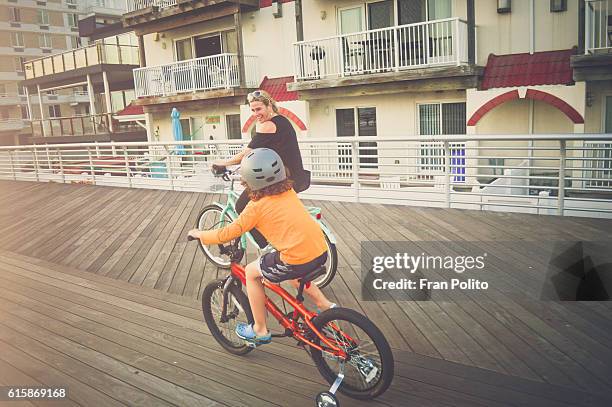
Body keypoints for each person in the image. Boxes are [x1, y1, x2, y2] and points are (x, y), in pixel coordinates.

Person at [189, 148, 334, 346]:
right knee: (291, 270)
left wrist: (199, 234)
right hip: (319, 250)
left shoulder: (255, 208)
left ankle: (259, 329)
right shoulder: (288, 190)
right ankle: (324, 304)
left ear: (250, 180)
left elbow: (227, 233)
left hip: (295, 258)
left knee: (251, 272)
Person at [212, 90, 310, 248]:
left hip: (284, 178)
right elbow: (260, 151)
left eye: (259, 109)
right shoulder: (281, 121)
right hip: (292, 174)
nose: (256, 113)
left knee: (241, 207)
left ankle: (267, 246)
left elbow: (247, 153)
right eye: (253, 110)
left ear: (269, 105)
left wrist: (223, 163)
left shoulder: (268, 126)